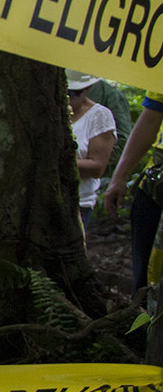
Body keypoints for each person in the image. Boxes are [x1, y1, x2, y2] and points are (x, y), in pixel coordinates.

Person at [106, 88, 163, 296]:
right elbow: (151, 117)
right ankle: (144, 322)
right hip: (156, 186)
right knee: (147, 277)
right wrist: (119, 177)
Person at [68, 71, 116, 229]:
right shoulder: (45, 109)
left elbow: (97, 168)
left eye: (73, 93)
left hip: (77, 202)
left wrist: (55, 161)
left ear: (87, 88)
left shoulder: (99, 116)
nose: (67, 97)